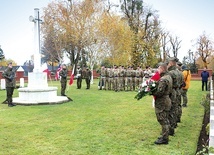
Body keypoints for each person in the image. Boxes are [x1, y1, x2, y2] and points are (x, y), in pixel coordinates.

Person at [152, 62, 172, 145]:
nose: (158, 70)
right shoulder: (169, 77)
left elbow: (160, 92)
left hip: (162, 101)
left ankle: (164, 138)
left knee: (162, 119)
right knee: (165, 119)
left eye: (159, 68)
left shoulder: (163, 79)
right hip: (167, 99)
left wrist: (151, 92)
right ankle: (165, 135)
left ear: (162, 69)